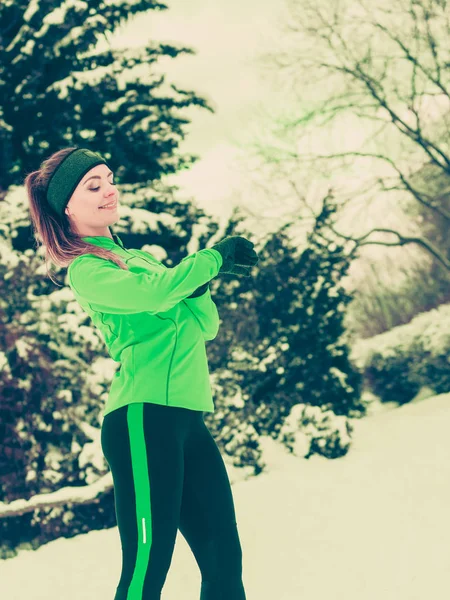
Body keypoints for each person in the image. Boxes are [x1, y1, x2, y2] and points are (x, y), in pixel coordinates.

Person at [24, 147, 258, 600]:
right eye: (93, 185)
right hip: (142, 420)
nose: (109, 190)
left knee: (224, 562)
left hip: (188, 420)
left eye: (109, 179)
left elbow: (204, 325)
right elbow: (156, 296)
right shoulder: (86, 269)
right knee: (147, 568)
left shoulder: (141, 260)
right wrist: (209, 261)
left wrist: (199, 285)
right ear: (67, 206)